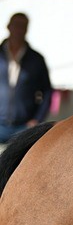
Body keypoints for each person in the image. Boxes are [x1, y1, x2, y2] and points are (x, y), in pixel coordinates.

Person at [0, 13, 52, 143]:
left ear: (27, 29)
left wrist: (37, 119)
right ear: (8, 26)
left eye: (23, 26)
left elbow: (47, 91)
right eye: (16, 25)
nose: (19, 29)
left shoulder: (36, 59)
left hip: (24, 127)